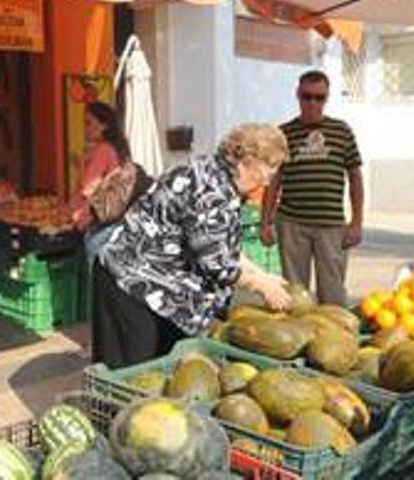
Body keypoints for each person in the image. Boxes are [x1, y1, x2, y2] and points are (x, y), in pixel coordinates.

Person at [93, 124, 293, 369]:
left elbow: (221, 246)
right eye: (269, 167)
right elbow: (218, 265)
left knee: (164, 367)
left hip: (160, 284)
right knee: (134, 370)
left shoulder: (219, 178)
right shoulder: (211, 189)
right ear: (247, 161)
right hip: (130, 281)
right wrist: (261, 286)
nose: (271, 177)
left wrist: (261, 274)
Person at [260, 70, 364, 307]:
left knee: (333, 292)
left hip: (331, 225)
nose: (312, 103)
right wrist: (265, 222)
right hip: (291, 224)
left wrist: (357, 222)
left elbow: (355, 177)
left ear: (327, 98)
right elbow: (273, 180)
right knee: (295, 293)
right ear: (298, 95)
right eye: (307, 96)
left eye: (319, 98)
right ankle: (299, 339)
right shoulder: (283, 133)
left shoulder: (342, 131)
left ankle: (336, 337)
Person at [71, 102, 131, 266]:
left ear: (104, 125)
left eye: (89, 123)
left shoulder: (103, 150)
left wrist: (82, 165)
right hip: (111, 224)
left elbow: (88, 188)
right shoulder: (117, 149)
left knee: (93, 280)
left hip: (95, 225)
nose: (85, 128)